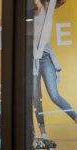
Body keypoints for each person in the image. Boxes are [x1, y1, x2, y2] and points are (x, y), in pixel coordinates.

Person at [33, 0, 77, 139]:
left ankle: (76, 118)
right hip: (31, 59)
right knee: (36, 98)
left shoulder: (48, 9)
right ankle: (43, 133)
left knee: (54, 96)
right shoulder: (27, 12)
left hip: (45, 58)